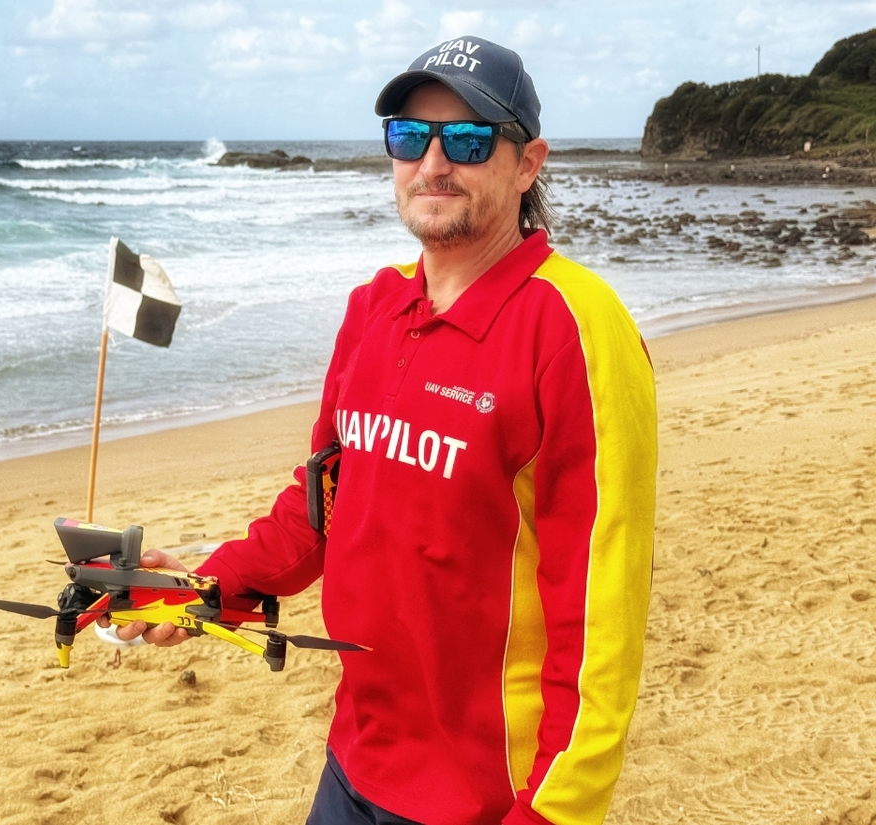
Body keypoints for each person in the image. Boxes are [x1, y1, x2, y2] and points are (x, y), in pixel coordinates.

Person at [105, 35, 657, 825]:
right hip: (356, 761)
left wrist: (552, 813)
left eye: (467, 139)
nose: (433, 163)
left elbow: (601, 622)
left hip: (484, 796)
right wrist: (199, 592)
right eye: (409, 136)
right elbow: (319, 506)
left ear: (527, 163)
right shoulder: (374, 309)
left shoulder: (577, 329)